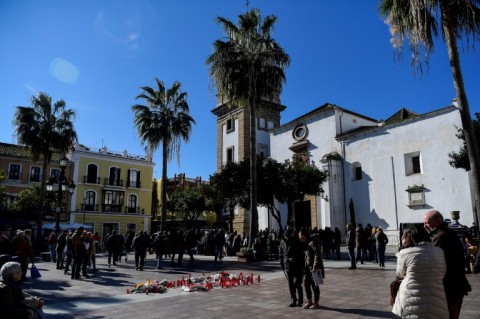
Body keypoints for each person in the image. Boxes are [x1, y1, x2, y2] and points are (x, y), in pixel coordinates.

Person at [423, 210, 471, 319]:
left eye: (426, 223)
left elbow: (435, 260)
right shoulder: (446, 232)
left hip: (449, 284)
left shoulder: (441, 236)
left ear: (437, 222)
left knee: (448, 314)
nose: (424, 226)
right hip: (456, 282)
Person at [392, 225, 448, 318]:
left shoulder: (405, 253)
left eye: (403, 235)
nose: (402, 238)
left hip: (411, 296)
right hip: (436, 295)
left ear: (409, 237)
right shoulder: (439, 251)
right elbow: (443, 272)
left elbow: (399, 274)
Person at [279, 227, 304, 307]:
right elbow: (281, 254)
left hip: (297, 265)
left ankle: (300, 299)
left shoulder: (296, 241)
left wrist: (295, 258)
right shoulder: (282, 242)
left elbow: (301, 253)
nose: (286, 237)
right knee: (290, 284)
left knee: (297, 283)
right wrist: (282, 264)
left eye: (287, 236)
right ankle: (293, 299)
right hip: (287, 265)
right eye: (285, 236)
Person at [299, 229, 324, 310]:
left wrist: (315, 266)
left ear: (305, 236)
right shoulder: (306, 243)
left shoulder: (312, 242)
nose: (300, 238)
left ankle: (316, 303)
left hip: (314, 268)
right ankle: (310, 302)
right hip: (308, 268)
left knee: (315, 286)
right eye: (299, 237)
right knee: (306, 284)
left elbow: (317, 254)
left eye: (301, 236)